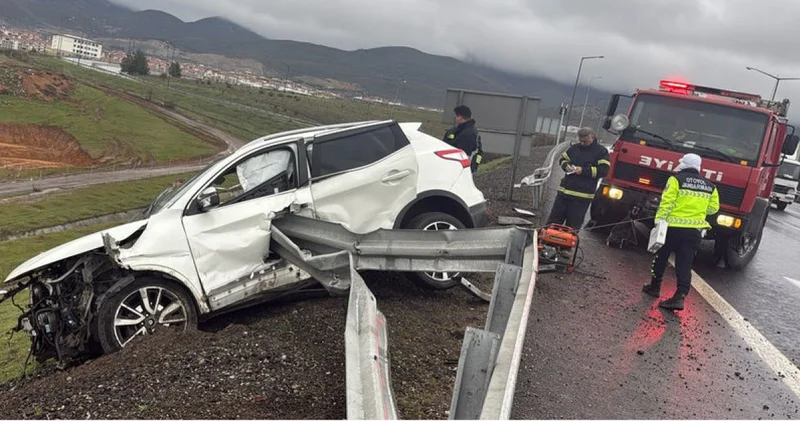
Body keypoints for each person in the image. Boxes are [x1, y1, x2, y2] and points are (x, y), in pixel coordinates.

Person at [642, 153, 720, 311]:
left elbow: (667, 202)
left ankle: (654, 287)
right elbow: (713, 209)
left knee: (661, 257)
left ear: (683, 164)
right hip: (694, 231)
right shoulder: (710, 186)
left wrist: (659, 220)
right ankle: (679, 297)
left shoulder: (676, 180)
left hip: (672, 228)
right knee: (684, 264)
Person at [546, 127, 610, 231]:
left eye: (585, 141)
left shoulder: (601, 152)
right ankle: (544, 243)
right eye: (580, 141)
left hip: (581, 198)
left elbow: (603, 171)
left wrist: (583, 171)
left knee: (571, 228)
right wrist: (566, 165)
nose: (582, 143)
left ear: (592, 137)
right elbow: (562, 159)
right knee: (552, 223)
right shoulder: (574, 148)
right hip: (564, 194)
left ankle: (565, 247)